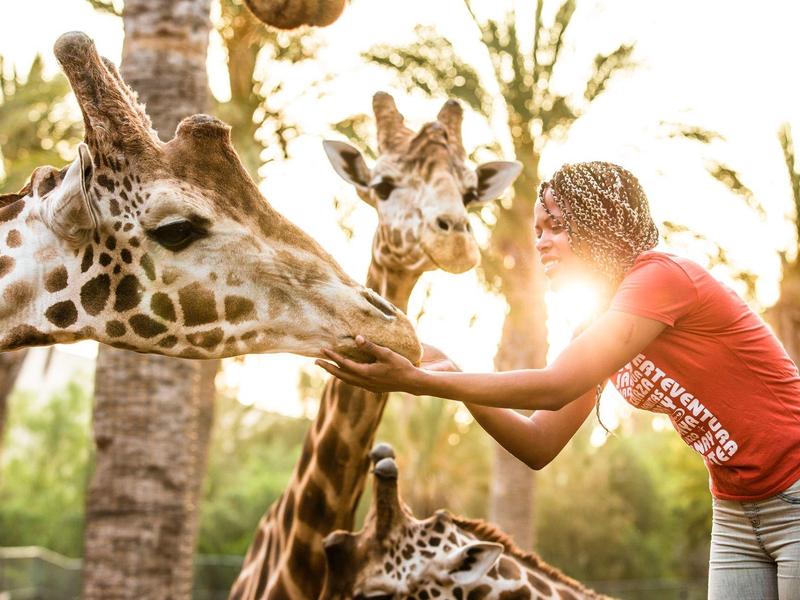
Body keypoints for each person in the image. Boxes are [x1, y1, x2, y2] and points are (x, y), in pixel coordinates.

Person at [316, 161, 800, 599]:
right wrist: (451, 376)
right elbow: (538, 442)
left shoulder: (663, 278)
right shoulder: (596, 326)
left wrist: (422, 383)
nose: (542, 241)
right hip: (736, 511)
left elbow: (555, 384)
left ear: (599, 225)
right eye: (538, 230)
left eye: (557, 227)